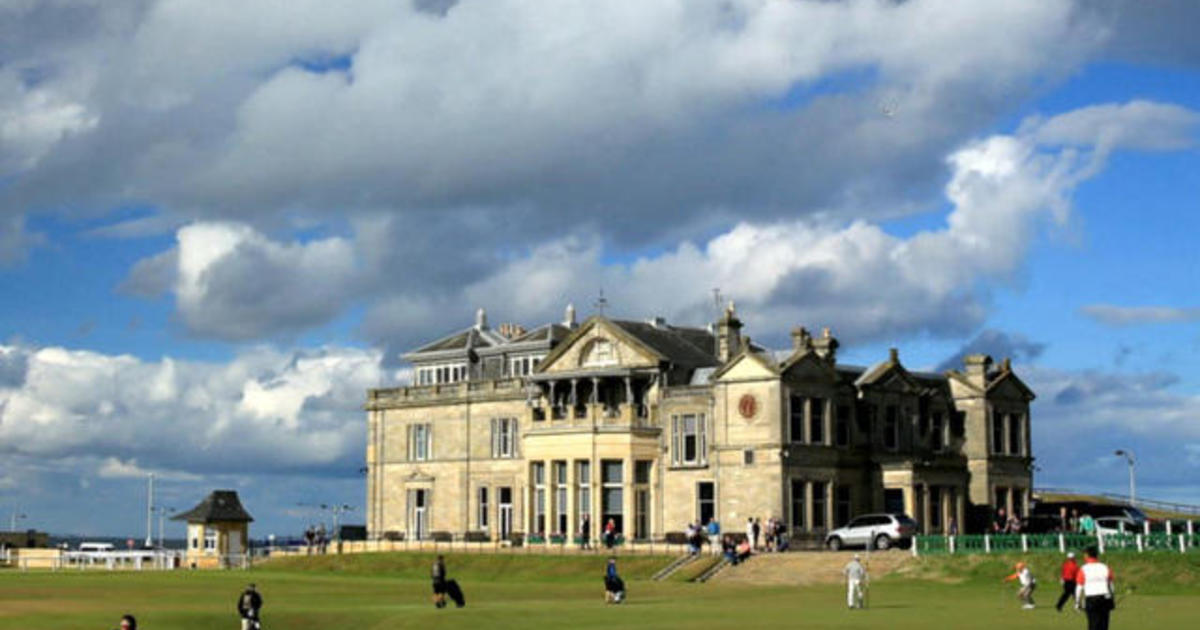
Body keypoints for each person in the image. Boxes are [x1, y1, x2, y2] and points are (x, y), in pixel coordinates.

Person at [1075, 546, 1115, 630]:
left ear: (1087, 555)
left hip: (1091, 599)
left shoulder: (1083, 569)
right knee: (1104, 625)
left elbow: (1079, 588)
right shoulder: (1105, 567)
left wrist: (1077, 602)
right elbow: (1111, 586)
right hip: (1104, 598)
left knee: (1093, 625)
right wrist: (1112, 598)